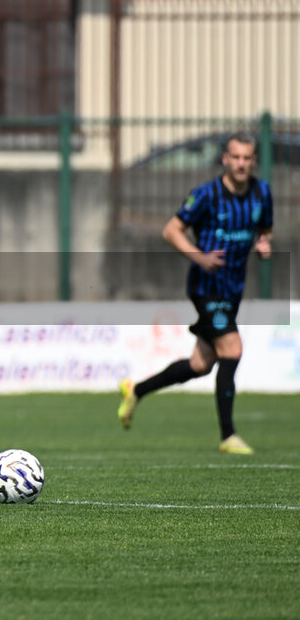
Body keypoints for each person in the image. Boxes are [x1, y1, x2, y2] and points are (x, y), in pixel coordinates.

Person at [118, 131, 272, 454]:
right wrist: (199, 256)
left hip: (233, 289)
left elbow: (265, 229)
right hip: (206, 287)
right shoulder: (207, 195)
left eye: (247, 158)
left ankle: (136, 390)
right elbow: (170, 230)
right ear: (225, 159)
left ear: (253, 161)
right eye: (236, 157)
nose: (242, 163)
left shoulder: (262, 193)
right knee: (232, 348)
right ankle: (228, 436)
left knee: (201, 364)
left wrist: (263, 243)